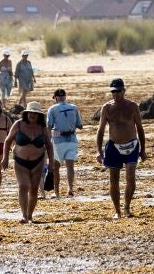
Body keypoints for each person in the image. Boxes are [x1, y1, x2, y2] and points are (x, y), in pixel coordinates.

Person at [95, 77, 146, 218]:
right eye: (113, 92)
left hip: (132, 144)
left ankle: (127, 207)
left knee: (131, 177)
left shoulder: (132, 106)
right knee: (114, 180)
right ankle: (117, 210)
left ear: (124, 90)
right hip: (113, 146)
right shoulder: (107, 108)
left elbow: (140, 129)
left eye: (118, 91)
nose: (116, 94)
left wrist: (143, 150)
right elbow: (100, 130)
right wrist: (99, 151)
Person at [7, 102, 55, 224]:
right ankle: (24, 215)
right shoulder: (18, 125)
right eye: (31, 113)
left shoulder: (42, 128)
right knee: (23, 186)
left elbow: (49, 146)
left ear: (39, 116)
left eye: (35, 113)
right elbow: (7, 141)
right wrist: (5, 159)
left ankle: (30, 215)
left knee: (33, 189)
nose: (33, 115)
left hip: (38, 162)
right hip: (20, 161)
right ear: (26, 113)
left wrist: (51, 163)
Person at [46, 88, 83, 198]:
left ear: (56, 98)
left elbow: (49, 126)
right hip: (72, 140)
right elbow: (80, 126)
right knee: (70, 166)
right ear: (65, 97)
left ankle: (56, 192)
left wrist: (48, 140)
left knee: (55, 167)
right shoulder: (74, 107)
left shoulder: (52, 109)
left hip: (58, 141)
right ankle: (70, 188)